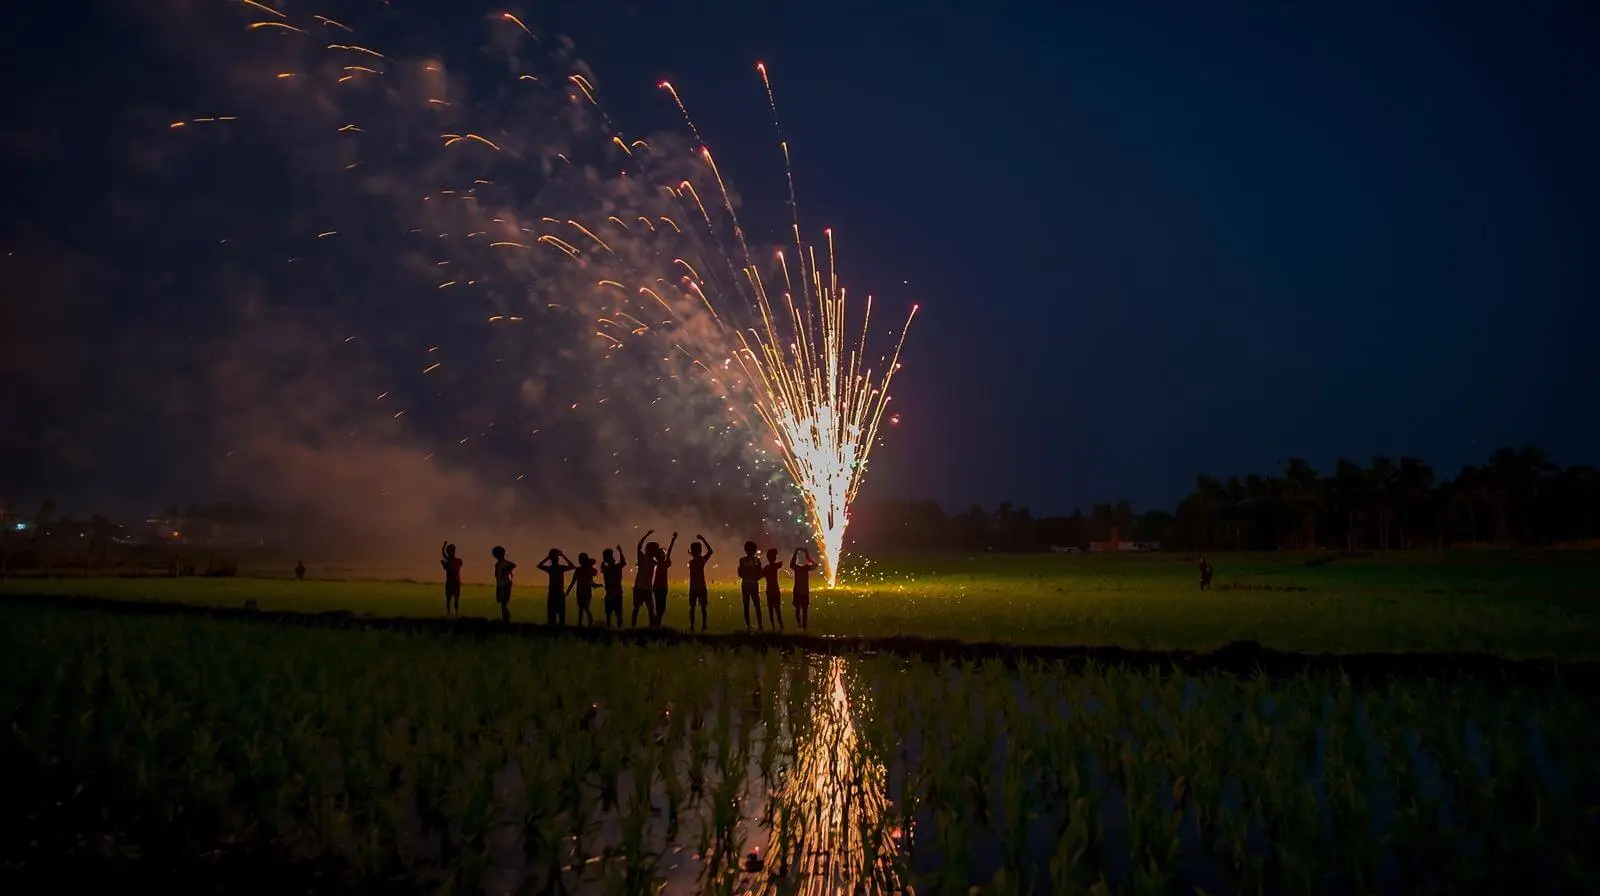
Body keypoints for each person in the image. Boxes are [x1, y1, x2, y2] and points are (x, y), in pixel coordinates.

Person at [538, 548, 575, 626]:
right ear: (558, 559)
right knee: (561, 616)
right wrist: (563, 556)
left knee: (552, 617)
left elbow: (539, 565)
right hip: (559, 593)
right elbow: (572, 566)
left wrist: (548, 557)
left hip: (553, 593)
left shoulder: (551, 569)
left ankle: (553, 633)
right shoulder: (560, 568)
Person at [686, 534, 714, 632]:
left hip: (694, 588)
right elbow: (710, 551)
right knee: (703, 608)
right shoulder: (701, 560)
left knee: (692, 607)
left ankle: (692, 626)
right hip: (701, 587)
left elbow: (708, 552)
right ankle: (703, 625)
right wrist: (703, 539)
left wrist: (702, 539)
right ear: (700, 551)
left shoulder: (691, 562)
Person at [651, 531, 678, 627]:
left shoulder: (663, 562)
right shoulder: (658, 563)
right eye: (660, 554)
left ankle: (656, 623)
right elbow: (669, 551)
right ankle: (656, 623)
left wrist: (673, 540)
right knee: (659, 607)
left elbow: (669, 551)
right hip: (658, 588)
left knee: (662, 608)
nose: (662, 555)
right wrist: (673, 540)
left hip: (662, 587)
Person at [632, 530, 657, 627]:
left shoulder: (653, 561)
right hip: (639, 588)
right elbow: (639, 546)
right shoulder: (642, 558)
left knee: (650, 609)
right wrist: (646, 534)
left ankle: (652, 627)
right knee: (637, 608)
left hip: (647, 588)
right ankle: (633, 627)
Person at [737, 541, 764, 631]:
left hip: (746, 583)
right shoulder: (756, 560)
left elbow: (740, 573)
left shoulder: (743, 560)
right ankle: (759, 625)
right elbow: (760, 572)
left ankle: (749, 625)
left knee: (747, 604)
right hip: (753, 583)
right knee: (756, 604)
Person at [567, 552, 599, 626]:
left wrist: (568, 591)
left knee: (583, 609)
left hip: (582, 593)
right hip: (585, 593)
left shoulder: (580, 570)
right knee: (583, 609)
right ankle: (582, 624)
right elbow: (595, 572)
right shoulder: (588, 569)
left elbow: (573, 581)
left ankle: (583, 624)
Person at [790, 547, 818, 630]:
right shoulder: (803, 568)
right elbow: (815, 565)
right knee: (802, 610)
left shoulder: (800, 568)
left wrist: (796, 552)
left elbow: (791, 564)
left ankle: (801, 625)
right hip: (802, 592)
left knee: (800, 610)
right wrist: (808, 557)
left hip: (800, 592)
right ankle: (802, 626)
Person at [601, 546, 627, 628]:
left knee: (612, 615)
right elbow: (623, 562)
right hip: (614, 594)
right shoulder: (614, 567)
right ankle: (617, 631)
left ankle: (613, 631)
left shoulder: (608, 568)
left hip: (612, 594)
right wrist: (620, 551)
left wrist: (620, 551)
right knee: (616, 615)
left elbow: (623, 562)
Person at [762, 547, 785, 631]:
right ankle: (781, 625)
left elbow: (761, 574)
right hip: (775, 590)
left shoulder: (766, 568)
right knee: (777, 609)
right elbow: (781, 563)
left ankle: (773, 627)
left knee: (770, 610)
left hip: (769, 590)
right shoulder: (775, 565)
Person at [492, 545, 516, 623]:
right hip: (500, 584)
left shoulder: (504, 562)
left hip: (505, 584)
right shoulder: (498, 563)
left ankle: (507, 620)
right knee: (502, 603)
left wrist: (506, 571)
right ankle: (506, 620)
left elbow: (513, 565)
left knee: (503, 604)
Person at [440, 542, 463, 617]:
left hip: (451, 582)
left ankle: (449, 612)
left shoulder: (449, 561)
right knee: (455, 599)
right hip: (455, 582)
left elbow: (444, 554)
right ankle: (455, 612)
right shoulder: (458, 561)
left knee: (449, 599)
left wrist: (444, 545)